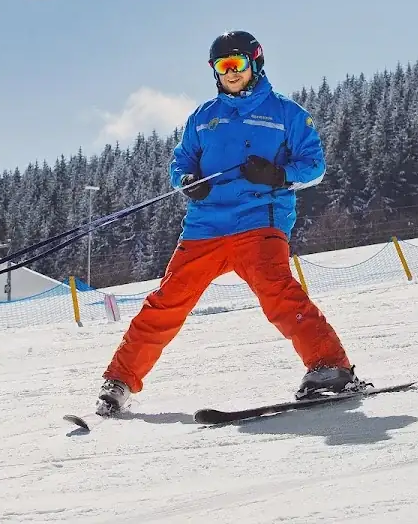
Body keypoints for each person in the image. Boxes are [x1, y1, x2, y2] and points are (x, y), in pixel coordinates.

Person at [95, 30, 369, 416]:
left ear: (255, 63)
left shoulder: (285, 113)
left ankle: (329, 368)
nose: (231, 73)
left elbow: (315, 166)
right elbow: (180, 161)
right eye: (222, 67)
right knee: (166, 301)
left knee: (277, 292)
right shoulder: (203, 117)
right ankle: (120, 381)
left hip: (259, 219)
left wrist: (278, 175)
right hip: (205, 226)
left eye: (237, 64)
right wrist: (187, 182)